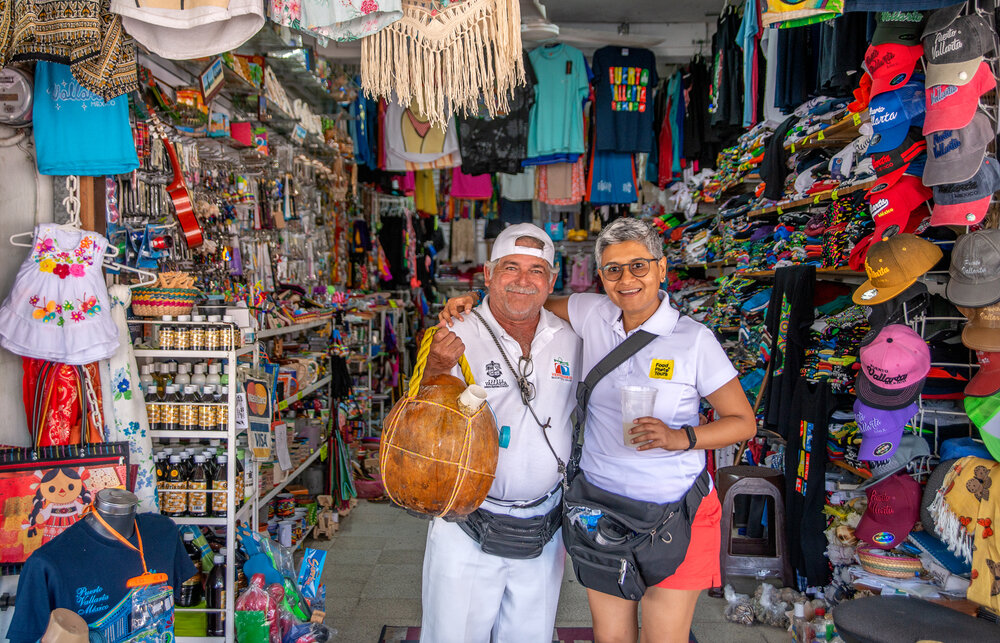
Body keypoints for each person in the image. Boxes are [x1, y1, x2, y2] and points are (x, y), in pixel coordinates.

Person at [441, 218, 755, 643]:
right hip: (601, 510)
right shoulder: (590, 313)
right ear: (600, 276)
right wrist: (473, 301)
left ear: (662, 268)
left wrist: (680, 438)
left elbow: (743, 423)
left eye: (639, 266)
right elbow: (522, 301)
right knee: (610, 638)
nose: (627, 279)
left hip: (673, 511)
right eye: (613, 269)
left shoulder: (693, 339)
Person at [419, 223, 582, 643]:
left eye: (536, 270)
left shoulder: (572, 337)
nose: (523, 281)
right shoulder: (454, 332)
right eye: (511, 268)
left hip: (544, 531)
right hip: (465, 527)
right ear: (488, 274)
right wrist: (436, 369)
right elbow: (417, 422)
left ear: (552, 278)